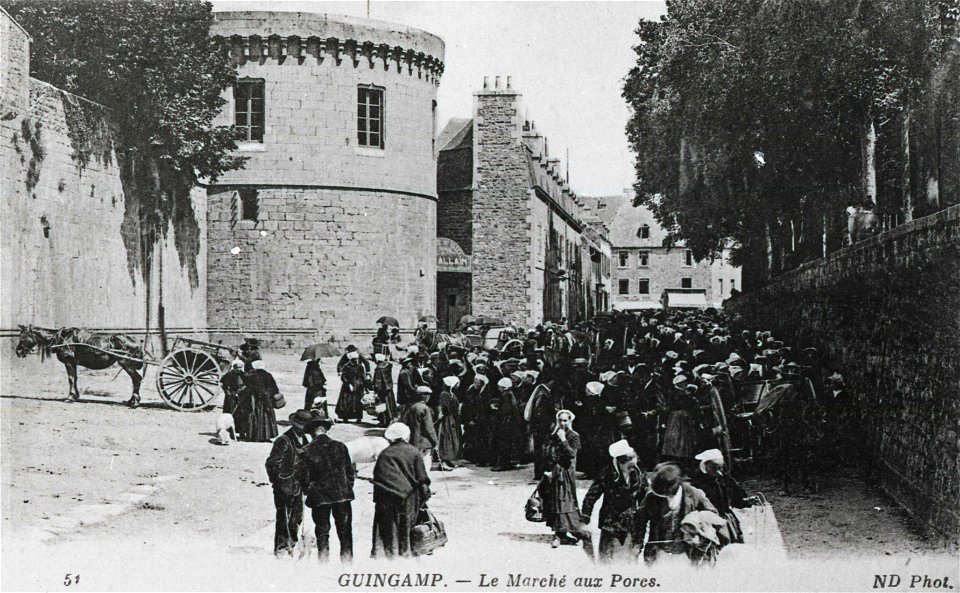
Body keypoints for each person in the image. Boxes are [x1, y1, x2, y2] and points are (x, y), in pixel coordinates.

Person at [296, 410, 355, 563]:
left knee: (322, 531)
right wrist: (347, 487)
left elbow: (303, 476)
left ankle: (323, 562)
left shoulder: (307, 450)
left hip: (319, 497)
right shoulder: (340, 446)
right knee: (345, 531)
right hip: (342, 495)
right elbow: (350, 472)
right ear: (325, 429)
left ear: (311, 432)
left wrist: (307, 489)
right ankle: (347, 563)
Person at [632, 462, 719, 566]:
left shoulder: (695, 494)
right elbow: (639, 519)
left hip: (687, 554)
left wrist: (696, 522)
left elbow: (713, 515)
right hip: (659, 554)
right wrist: (637, 543)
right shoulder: (652, 497)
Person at [371, 422, 432, 559]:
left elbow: (378, 476)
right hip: (409, 496)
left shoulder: (385, 453)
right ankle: (406, 552)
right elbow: (422, 477)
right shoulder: (413, 452)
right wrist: (424, 496)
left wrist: (378, 498)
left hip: (387, 496)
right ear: (406, 436)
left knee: (389, 526)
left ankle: (390, 553)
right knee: (407, 524)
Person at [581, 440, 648, 563]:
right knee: (607, 558)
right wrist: (585, 518)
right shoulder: (607, 474)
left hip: (631, 523)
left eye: (634, 459)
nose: (633, 467)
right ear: (620, 462)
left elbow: (645, 497)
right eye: (629, 465)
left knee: (628, 559)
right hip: (610, 522)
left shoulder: (639, 473)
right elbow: (591, 496)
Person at [540, 409, 593, 558]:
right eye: (560, 420)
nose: (562, 423)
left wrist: (563, 439)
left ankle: (570, 531)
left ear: (570, 421)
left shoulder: (573, 436)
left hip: (566, 473)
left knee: (565, 500)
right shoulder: (553, 435)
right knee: (554, 500)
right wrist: (547, 469)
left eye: (565, 420)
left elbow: (571, 454)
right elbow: (547, 453)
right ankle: (559, 533)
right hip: (554, 472)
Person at [265, 409, 313, 555]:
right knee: (283, 518)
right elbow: (271, 464)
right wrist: (279, 482)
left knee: (296, 517)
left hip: (299, 486)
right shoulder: (283, 440)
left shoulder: (304, 439)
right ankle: (281, 548)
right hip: (285, 487)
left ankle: (291, 543)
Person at [690, 449, 757, 544]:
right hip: (708, 523)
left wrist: (747, 501)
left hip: (726, 521)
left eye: (720, 468)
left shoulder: (725, 479)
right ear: (705, 466)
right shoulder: (697, 484)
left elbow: (736, 499)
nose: (719, 472)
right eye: (714, 468)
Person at [402, 385, 439, 474]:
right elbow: (429, 428)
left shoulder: (411, 407)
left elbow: (404, 422)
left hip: (413, 441)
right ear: (426, 396)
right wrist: (435, 442)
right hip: (424, 442)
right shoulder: (425, 409)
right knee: (425, 465)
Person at [245, 360, 280, 442]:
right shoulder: (268, 375)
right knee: (266, 419)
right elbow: (275, 388)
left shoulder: (251, 376)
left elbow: (249, 389)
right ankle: (266, 436)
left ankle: (255, 436)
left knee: (255, 418)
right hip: (267, 400)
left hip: (256, 401)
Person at [437, 376, 462, 470]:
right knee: (446, 439)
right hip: (447, 420)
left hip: (453, 419)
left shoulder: (451, 393)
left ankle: (448, 460)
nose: (458, 385)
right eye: (457, 384)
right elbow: (442, 406)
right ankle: (443, 462)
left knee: (452, 440)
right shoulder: (445, 394)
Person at [221, 359, 249, 441]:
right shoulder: (229, 375)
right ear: (234, 368)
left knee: (242, 416)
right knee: (230, 415)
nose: (239, 369)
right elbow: (223, 385)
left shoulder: (244, 375)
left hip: (242, 398)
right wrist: (229, 393)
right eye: (237, 368)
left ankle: (242, 433)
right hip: (231, 398)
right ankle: (229, 433)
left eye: (240, 368)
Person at [336, 350, 367, 423]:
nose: (356, 361)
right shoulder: (347, 367)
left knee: (358, 402)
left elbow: (363, 376)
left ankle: (358, 418)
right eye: (354, 359)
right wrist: (348, 384)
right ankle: (345, 418)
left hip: (359, 386)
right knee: (347, 402)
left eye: (357, 359)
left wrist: (365, 385)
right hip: (348, 387)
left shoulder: (360, 366)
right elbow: (343, 377)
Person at [372, 352, 396, 426]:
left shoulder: (379, 369)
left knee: (382, 405)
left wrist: (375, 390)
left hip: (382, 390)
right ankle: (391, 419)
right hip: (389, 388)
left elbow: (377, 381)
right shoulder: (388, 366)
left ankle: (384, 421)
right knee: (390, 404)